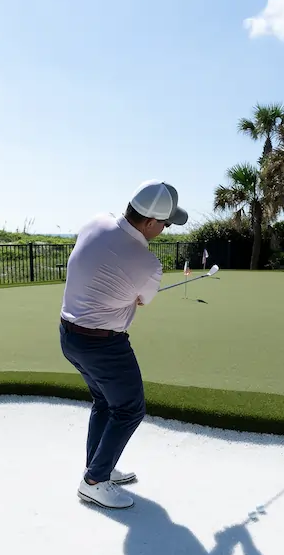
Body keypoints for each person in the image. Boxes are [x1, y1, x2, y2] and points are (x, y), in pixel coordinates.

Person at [59, 180, 188, 509]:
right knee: (130, 409)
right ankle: (94, 481)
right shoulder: (148, 265)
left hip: (69, 335)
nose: (165, 229)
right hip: (104, 345)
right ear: (149, 223)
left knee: (104, 401)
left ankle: (99, 466)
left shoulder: (95, 221)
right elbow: (142, 300)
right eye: (165, 224)